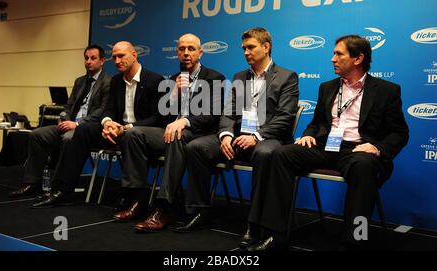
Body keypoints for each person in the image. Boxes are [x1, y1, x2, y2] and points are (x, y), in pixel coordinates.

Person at [247, 35, 409, 251]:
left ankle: (356, 238)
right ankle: (275, 233)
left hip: (358, 151)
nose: (332, 58)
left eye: (338, 54)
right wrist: (308, 134)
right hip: (327, 148)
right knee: (281, 154)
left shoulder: (386, 90)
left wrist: (378, 148)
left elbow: (399, 133)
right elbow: (317, 123)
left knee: (364, 165)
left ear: (358, 58)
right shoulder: (328, 87)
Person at [172, 27, 299, 247]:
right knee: (196, 147)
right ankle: (200, 211)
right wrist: (226, 136)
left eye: (251, 47)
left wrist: (257, 136)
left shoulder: (287, 77)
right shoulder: (240, 76)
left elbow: (284, 117)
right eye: (244, 48)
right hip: (239, 136)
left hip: (268, 138)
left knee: (265, 153)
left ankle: (255, 223)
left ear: (266, 47)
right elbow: (228, 112)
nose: (246, 52)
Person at [31, 41, 165, 207]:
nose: (117, 61)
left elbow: (158, 118)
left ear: (134, 55)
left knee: (130, 135)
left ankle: (130, 196)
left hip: (135, 133)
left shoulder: (155, 80)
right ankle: (62, 190)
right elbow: (107, 110)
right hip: (116, 131)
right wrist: (108, 123)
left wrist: (125, 128)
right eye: (114, 57)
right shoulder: (116, 81)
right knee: (84, 130)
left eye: (121, 56)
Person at [114, 33, 225, 232]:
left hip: (198, 134)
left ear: (200, 53)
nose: (186, 53)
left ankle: (164, 207)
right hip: (170, 132)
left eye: (191, 49)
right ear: (177, 53)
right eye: (182, 49)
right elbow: (162, 117)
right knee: (133, 134)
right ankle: (137, 199)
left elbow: (212, 116)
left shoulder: (214, 78)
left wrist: (185, 121)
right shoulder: (173, 80)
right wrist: (173, 95)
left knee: (176, 135)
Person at [9, 45, 111, 198]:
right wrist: (64, 118)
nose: (88, 62)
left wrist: (77, 124)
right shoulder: (80, 81)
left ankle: (57, 188)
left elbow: (102, 111)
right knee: (37, 134)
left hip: (87, 128)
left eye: (93, 58)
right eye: (86, 58)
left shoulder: (108, 82)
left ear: (102, 61)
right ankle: (32, 183)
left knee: (69, 138)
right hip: (69, 124)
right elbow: (69, 106)